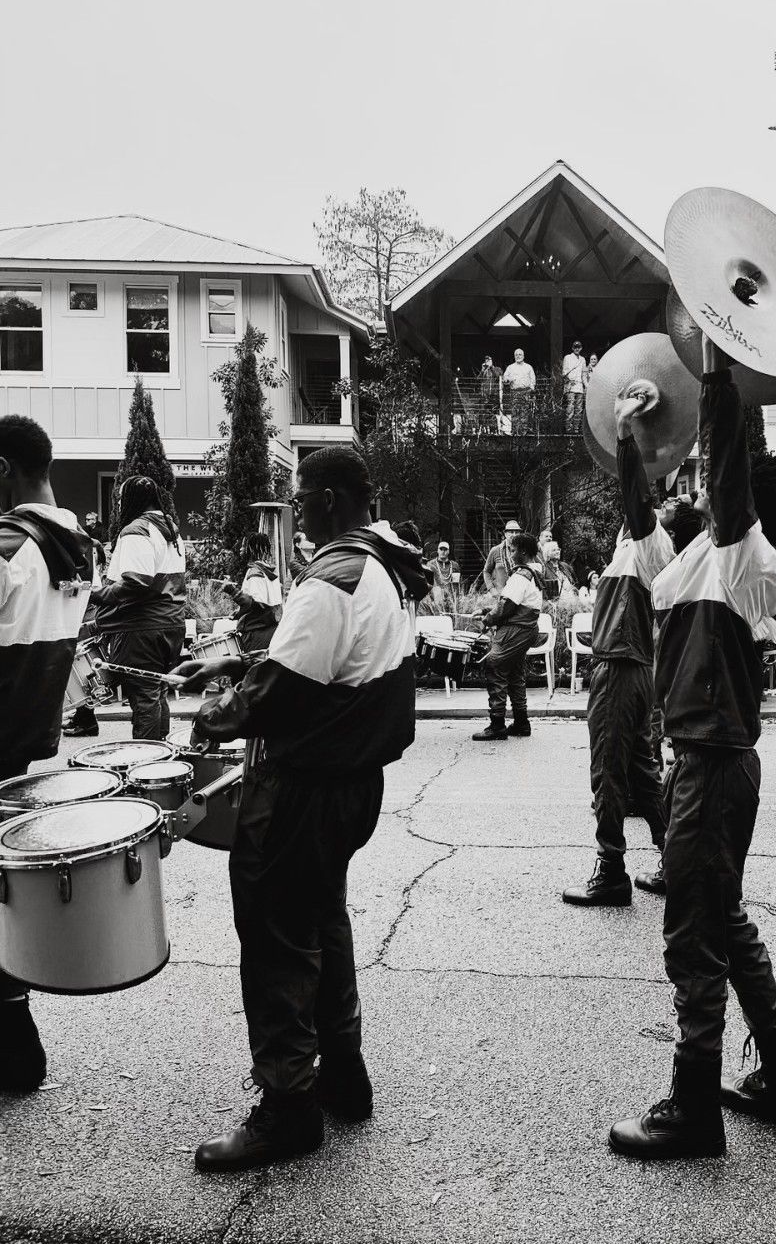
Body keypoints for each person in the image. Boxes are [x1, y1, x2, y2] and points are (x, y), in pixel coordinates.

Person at [172, 447, 430, 1171]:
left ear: (329, 499)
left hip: (303, 788)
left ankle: (288, 1106)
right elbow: (326, 660)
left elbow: (283, 691)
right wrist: (235, 661)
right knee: (322, 919)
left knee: (278, 933)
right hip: (351, 784)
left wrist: (221, 709)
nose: (298, 511)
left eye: (302, 497)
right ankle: (343, 1076)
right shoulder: (383, 564)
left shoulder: (335, 575)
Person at [608, 357, 776, 1161]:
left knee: (693, 937)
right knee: (724, 924)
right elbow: (637, 518)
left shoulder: (749, 560)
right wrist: (628, 433)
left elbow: (728, 488)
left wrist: (720, 379)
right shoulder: (697, 563)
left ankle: (693, 1111)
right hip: (704, 763)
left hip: (713, 766)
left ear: (743, 506)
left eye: (711, 486)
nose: (692, 492)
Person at [562, 386, 689, 909]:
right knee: (640, 768)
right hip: (636, 669)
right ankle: (673, 860)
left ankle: (611, 870)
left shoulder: (650, 540)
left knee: (608, 769)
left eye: (672, 504)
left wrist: (622, 431)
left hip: (618, 666)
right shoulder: (641, 548)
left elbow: (636, 494)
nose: (667, 500)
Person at [0, 414, 94, 1094]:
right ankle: (15, 1040)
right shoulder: (73, 542)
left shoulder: (9, 545)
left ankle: (15, 1046)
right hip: (29, 744)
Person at [90, 476, 186, 741]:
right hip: (170, 624)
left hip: (142, 628)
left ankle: (147, 762)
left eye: (120, 500)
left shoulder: (137, 530)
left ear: (131, 500)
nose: (119, 505)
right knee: (156, 693)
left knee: (144, 699)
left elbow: (136, 581)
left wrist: (98, 595)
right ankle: (162, 759)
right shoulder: (170, 530)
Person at [473, 531, 542, 741]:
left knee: (495, 666)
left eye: (512, 550)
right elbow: (513, 605)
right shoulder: (533, 573)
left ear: (522, 551)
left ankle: (497, 725)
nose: (510, 554)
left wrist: (487, 619)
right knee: (514, 674)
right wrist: (488, 612)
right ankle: (521, 722)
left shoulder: (520, 576)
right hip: (525, 630)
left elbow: (506, 607)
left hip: (515, 630)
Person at [62, 510, 110, 738]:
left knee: (81, 673)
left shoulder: (79, 552)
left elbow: (84, 587)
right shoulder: (87, 549)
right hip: (87, 612)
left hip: (81, 614)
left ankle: (87, 721)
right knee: (83, 672)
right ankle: (83, 717)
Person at [224, 533, 283, 655]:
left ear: (251, 548)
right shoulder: (271, 572)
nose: (241, 549)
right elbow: (265, 604)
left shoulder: (255, 572)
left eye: (243, 546)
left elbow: (253, 603)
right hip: (271, 629)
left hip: (256, 632)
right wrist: (239, 613)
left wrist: (231, 590)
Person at [502, 348, 536, 436]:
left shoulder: (528, 367)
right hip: (514, 392)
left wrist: (531, 389)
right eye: (516, 354)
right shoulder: (510, 367)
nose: (518, 356)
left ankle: (524, 433)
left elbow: (533, 379)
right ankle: (515, 432)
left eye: (520, 354)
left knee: (525, 412)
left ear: (523, 356)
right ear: (514, 356)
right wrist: (507, 379)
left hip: (526, 392)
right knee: (515, 412)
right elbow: (504, 378)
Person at [482, 519, 521, 593]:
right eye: (511, 532)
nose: (514, 535)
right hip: (500, 594)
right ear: (505, 534)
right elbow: (486, 571)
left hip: (519, 595)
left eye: (517, 532)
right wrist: (491, 589)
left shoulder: (524, 551)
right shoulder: (496, 550)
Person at [425, 539, 460, 612]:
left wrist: (456, 599)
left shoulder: (454, 565)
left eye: (445, 549)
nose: (443, 552)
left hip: (450, 597)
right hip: (435, 597)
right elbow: (427, 583)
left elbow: (456, 584)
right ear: (437, 550)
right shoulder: (430, 565)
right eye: (441, 549)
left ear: (448, 551)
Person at [562, 340, 587, 433]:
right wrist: (569, 380)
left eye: (578, 347)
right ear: (572, 348)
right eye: (575, 347)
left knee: (579, 408)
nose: (577, 349)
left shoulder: (583, 359)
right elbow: (564, 372)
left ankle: (576, 428)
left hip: (579, 386)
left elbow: (584, 374)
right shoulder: (567, 358)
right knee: (570, 407)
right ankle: (568, 428)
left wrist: (586, 385)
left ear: (581, 348)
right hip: (570, 386)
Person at [478, 355, 503, 433]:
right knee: (483, 413)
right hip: (484, 396)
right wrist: (482, 370)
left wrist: (491, 367)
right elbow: (478, 380)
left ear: (492, 361)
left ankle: (494, 431)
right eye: (486, 360)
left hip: (493, 395)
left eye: (489, 360)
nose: (487, 362)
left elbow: (498, 376)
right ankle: (484, 431)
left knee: (492, 414)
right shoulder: (484, 371)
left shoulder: (497, 369)